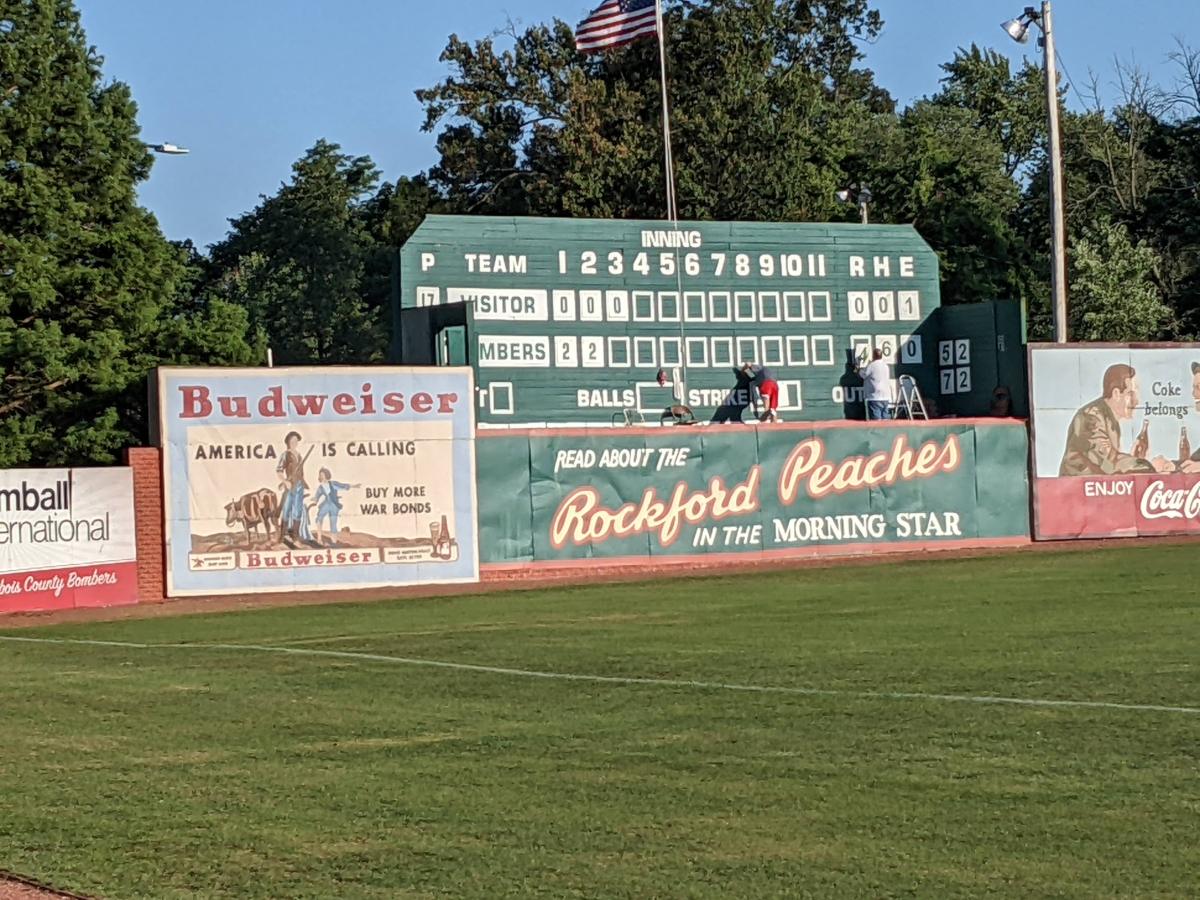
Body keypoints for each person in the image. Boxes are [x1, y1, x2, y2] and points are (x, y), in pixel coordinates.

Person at [1058, 364, 1172, 476]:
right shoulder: (1091, 417)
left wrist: (1135, 460)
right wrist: (1147, 465)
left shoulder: (1110, 420)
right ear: (1116, 394)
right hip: (1075, 490)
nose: (1137, 401)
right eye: (1131, 394)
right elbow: (1109, 462)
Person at [276, 431, 313, 544]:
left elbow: (301, 473)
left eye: (296, 441)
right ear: (288, 442)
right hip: (290, 486)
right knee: (286, 510)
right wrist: (285, 481)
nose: (294, 443)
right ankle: (282, 536)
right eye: (292, 441)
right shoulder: (285, 455)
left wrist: (303, 483)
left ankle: (295, 536)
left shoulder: (299, 455)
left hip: (299, 486)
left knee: (298, 511)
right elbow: (279, 471)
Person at [311, 468, 359, 546]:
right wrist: (314, 500)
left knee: (333, 523)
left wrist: (353, 486)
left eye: (323, 475)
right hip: (326, 504)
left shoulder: (333, 483)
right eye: (320, 475)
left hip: (334, 505)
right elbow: (317, 497)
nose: (321, 476)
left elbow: (343, 486)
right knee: (319, 519)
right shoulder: (320, 487)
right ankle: (319, 539)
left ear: (327, 475)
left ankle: (334, 542)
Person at [858, 349, 893, 420]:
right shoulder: (886, 366)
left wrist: (858, 370)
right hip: (886, 396)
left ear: (873, 355)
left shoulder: (871, 365)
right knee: (885, 420)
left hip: (875, 396)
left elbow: (863, 375)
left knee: (876, 422)